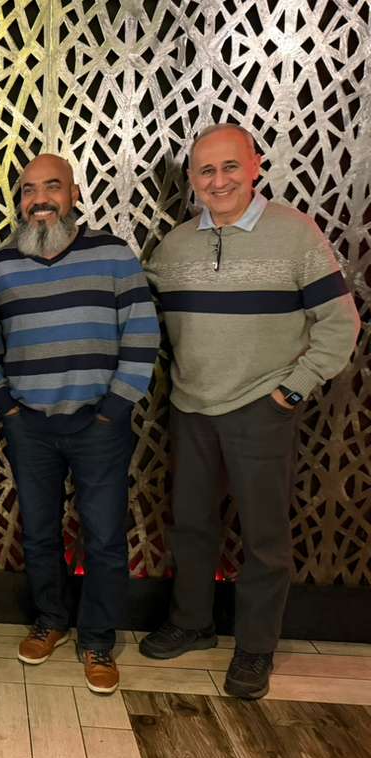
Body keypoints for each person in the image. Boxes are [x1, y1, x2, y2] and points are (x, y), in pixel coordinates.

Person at [140, 124, 360, 699]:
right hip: (191, 407)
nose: (219, 181)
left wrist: (292, 391)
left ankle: (256, 646)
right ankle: (192, 622)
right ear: (192, 179)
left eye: (230, 167)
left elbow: (341, 325)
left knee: (264, 537)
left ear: (255, 166)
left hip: (262, 409)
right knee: (191, 524)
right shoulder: (174, 247)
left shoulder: (295, 234)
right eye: (206, 171)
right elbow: (139, 311)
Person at [0, 154, 160, 694]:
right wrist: (6, 407)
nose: (40, 199)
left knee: (104, 537)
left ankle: (97, 639)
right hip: (29, 425)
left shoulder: (113, 255)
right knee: (39, 533)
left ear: (74, 194)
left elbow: (142, 335)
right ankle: (50, 620)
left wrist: (113, 410)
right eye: (28, 190)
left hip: (100, 424)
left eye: (52, 187)